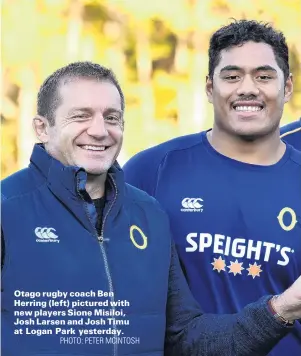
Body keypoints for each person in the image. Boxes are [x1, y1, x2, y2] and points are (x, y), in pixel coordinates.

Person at [1, 61, 300, 356]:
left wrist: (283, 307)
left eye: (111, 117)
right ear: (42, 128)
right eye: (81, 116)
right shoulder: (7, 209)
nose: (99, 130)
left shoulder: (149, 215)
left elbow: (188, 341)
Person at [123, 20, 301, 356]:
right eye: (232, 76)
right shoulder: (151, 171)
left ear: (287, 87)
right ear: (208, 87)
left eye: (264, 76)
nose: (248, 88)